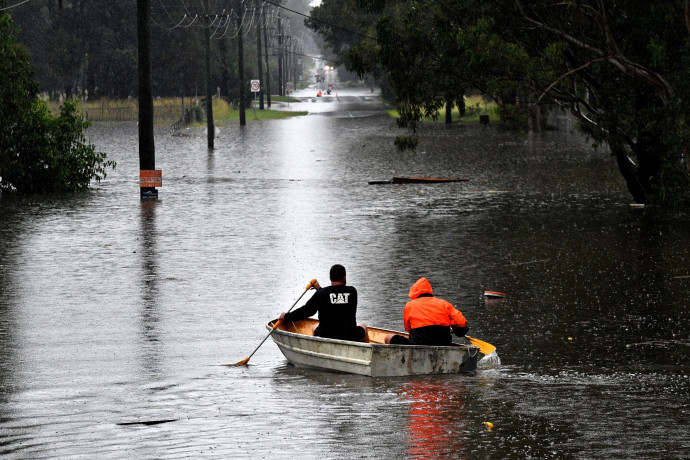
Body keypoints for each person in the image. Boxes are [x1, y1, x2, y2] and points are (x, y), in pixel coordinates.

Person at [280, 264, 367, 342]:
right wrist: (319, 289)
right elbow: (334, 298)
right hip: (350, 335)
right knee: (363, 325)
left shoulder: (321, 294)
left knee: (315, 326)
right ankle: (362, 350)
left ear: (330, 277)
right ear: (344, 277)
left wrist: (287, 316)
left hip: (326, 335)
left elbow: (307, 311)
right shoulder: (352, 291)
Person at [385, 277, 468, 345]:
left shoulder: (410, 305)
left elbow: (408, 329)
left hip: (418, 344)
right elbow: (462, 323)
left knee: (388, 337)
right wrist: (456, 330)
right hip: (443, 343)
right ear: (429, 291)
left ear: (414, 293)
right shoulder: (444, 303)